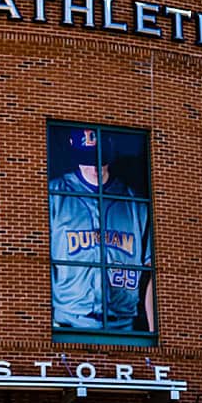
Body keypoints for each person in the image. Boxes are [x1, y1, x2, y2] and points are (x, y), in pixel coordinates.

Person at [49, 126, 154, 332]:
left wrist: (154, 333)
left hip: (123, 325)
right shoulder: (54, 196)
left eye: (100, 158)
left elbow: (153, 274)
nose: (95, 166)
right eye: (87, 159)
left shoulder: (135, 203)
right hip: (68, 323)